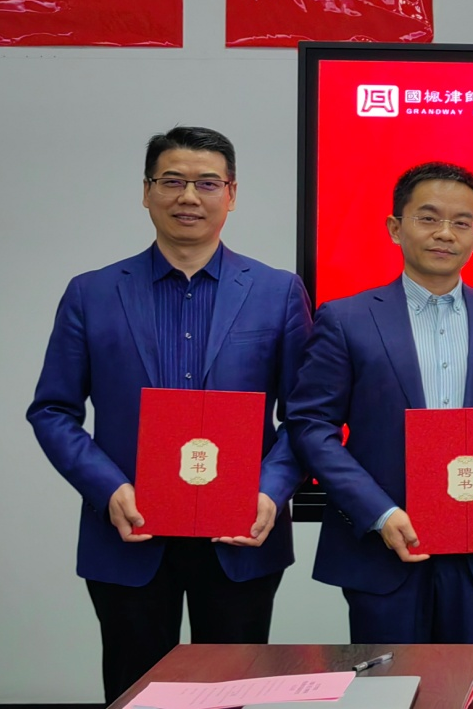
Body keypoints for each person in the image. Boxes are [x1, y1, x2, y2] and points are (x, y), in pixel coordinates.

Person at [27, 126, 312, 704]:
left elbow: (306, 415)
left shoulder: (278, 292)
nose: (188, 197)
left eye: (207, 183)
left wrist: (270, 489)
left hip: (240, 533)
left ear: (231, 194)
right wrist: (108, 489)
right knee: (135, 693)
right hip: (128, 531)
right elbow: (52, 410)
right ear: (146, 191)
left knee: (230, 695)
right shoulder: (92, 293)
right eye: (172, 181)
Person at [285, 162, 473, 643]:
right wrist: (379, 512)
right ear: (396, 227)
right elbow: (311, 426)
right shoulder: (346, 319)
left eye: (461, 222)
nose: (445, 233)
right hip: (383, 546)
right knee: (389, 680)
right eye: (428, 218)